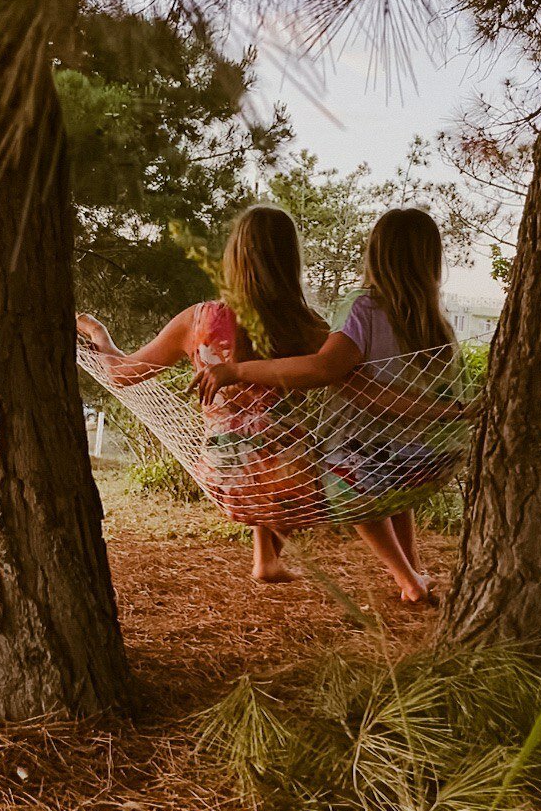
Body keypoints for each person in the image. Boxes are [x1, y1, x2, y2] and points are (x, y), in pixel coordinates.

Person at [190, 208, 469, 603]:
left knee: (339, 469)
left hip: (363, 462)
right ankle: (412, 572)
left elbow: (327, 369)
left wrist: (237, 370)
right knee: (367, 472)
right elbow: (366, 386)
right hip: (428, 458)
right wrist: (451, 413)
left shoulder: (362, 307)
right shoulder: (435, 322)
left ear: (375, 254)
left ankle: (408, 578)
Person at [77, 205, 329, 583]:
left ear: (234, 259)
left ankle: (266, 561)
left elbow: (123, 375)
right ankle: (267, 557)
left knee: (251, 432)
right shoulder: (311, 326)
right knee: (276, 435)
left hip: (225, 475)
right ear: (290, 261)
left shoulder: (201, 320)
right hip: (296, 483)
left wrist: (99, 335)